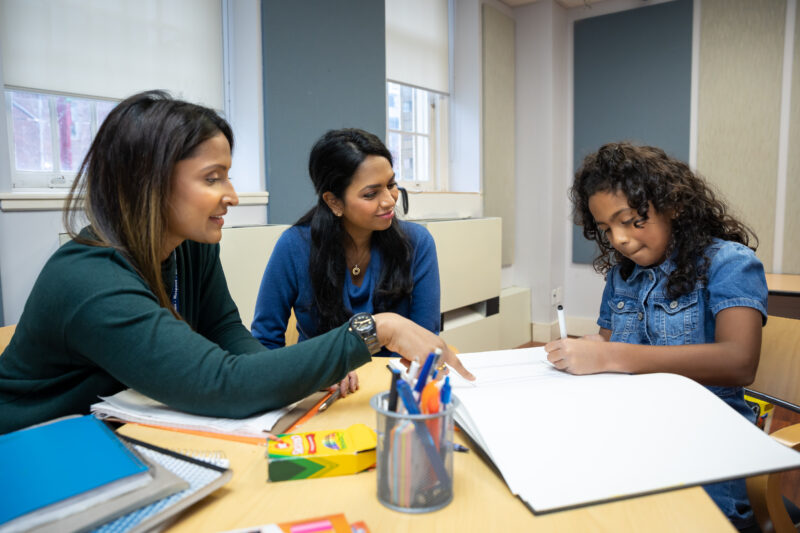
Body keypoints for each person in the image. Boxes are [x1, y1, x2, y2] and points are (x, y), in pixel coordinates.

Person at [0, 91, 473, 435]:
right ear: (149, 183)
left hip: (109, 428)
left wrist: (297, 375)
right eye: (213, 178)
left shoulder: (189, 246)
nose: (232, 195)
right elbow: (223, 382)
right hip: (34, 450)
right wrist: (376, 330)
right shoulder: (89, 279)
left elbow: (230, 335)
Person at [546, 142, 766, 529]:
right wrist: (589, 348)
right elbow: (608, 343)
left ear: (674, 206)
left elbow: (739, 362)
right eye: (605, 229)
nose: (619, 240)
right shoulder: (622, 275)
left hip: (706, 448)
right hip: (635, 436)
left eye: (630, 220)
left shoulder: (730, 264)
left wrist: (612, 355)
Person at [251, 128, 440, 397]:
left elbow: (423, 340)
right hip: (320, 392)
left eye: (391, 184)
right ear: (334, 201)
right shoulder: (294, 247)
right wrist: (313, 370)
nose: (389, 201)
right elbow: (264, 342)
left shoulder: (417, 243)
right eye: (371, 194)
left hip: (395, 392)